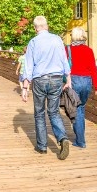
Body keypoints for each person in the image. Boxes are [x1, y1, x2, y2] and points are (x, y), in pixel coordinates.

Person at [19, 15, 72, 160]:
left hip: (40, 80)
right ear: (47, 26)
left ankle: (42, 146)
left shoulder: (33, 42)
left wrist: (25, 87)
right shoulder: (57, 39)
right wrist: (68, 79)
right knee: (54, 112)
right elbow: (64, 60)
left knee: (39, 113)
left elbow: (28, 65)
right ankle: (62, 138)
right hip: (56, 79)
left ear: (35, 28)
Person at [67, 26, 97, 149]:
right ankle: (80, 139)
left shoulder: (68, 50)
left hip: (74, 81)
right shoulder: (88, 50)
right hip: (87, 82)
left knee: (75, 110)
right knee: (81, 109)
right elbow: (93, 69)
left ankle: (80, 141)